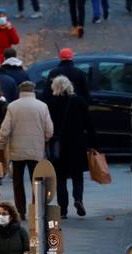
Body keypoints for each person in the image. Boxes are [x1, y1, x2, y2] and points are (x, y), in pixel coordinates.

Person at [0, 80, 54, 220]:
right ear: (33, 91)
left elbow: (5, 130)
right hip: (36, 151)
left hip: (17, 151)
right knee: (37, 181)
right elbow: (49, 130)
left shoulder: (13, 106)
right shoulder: (42, 106)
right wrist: (43, 140)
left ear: (20, 91)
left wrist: (0, 146)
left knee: (17, 182)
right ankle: (36, 209)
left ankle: (21, 210)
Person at [46, 75, 97, 218]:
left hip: (59, 146)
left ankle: (62, 210)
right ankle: (78, 199)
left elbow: (47, 126)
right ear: (70, 86)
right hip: (77, 144)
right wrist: (94, 144)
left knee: (60, 178)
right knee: (77, 175)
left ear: (54, 87)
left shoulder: (51, 104)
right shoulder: (79, 102)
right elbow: (89, 124)